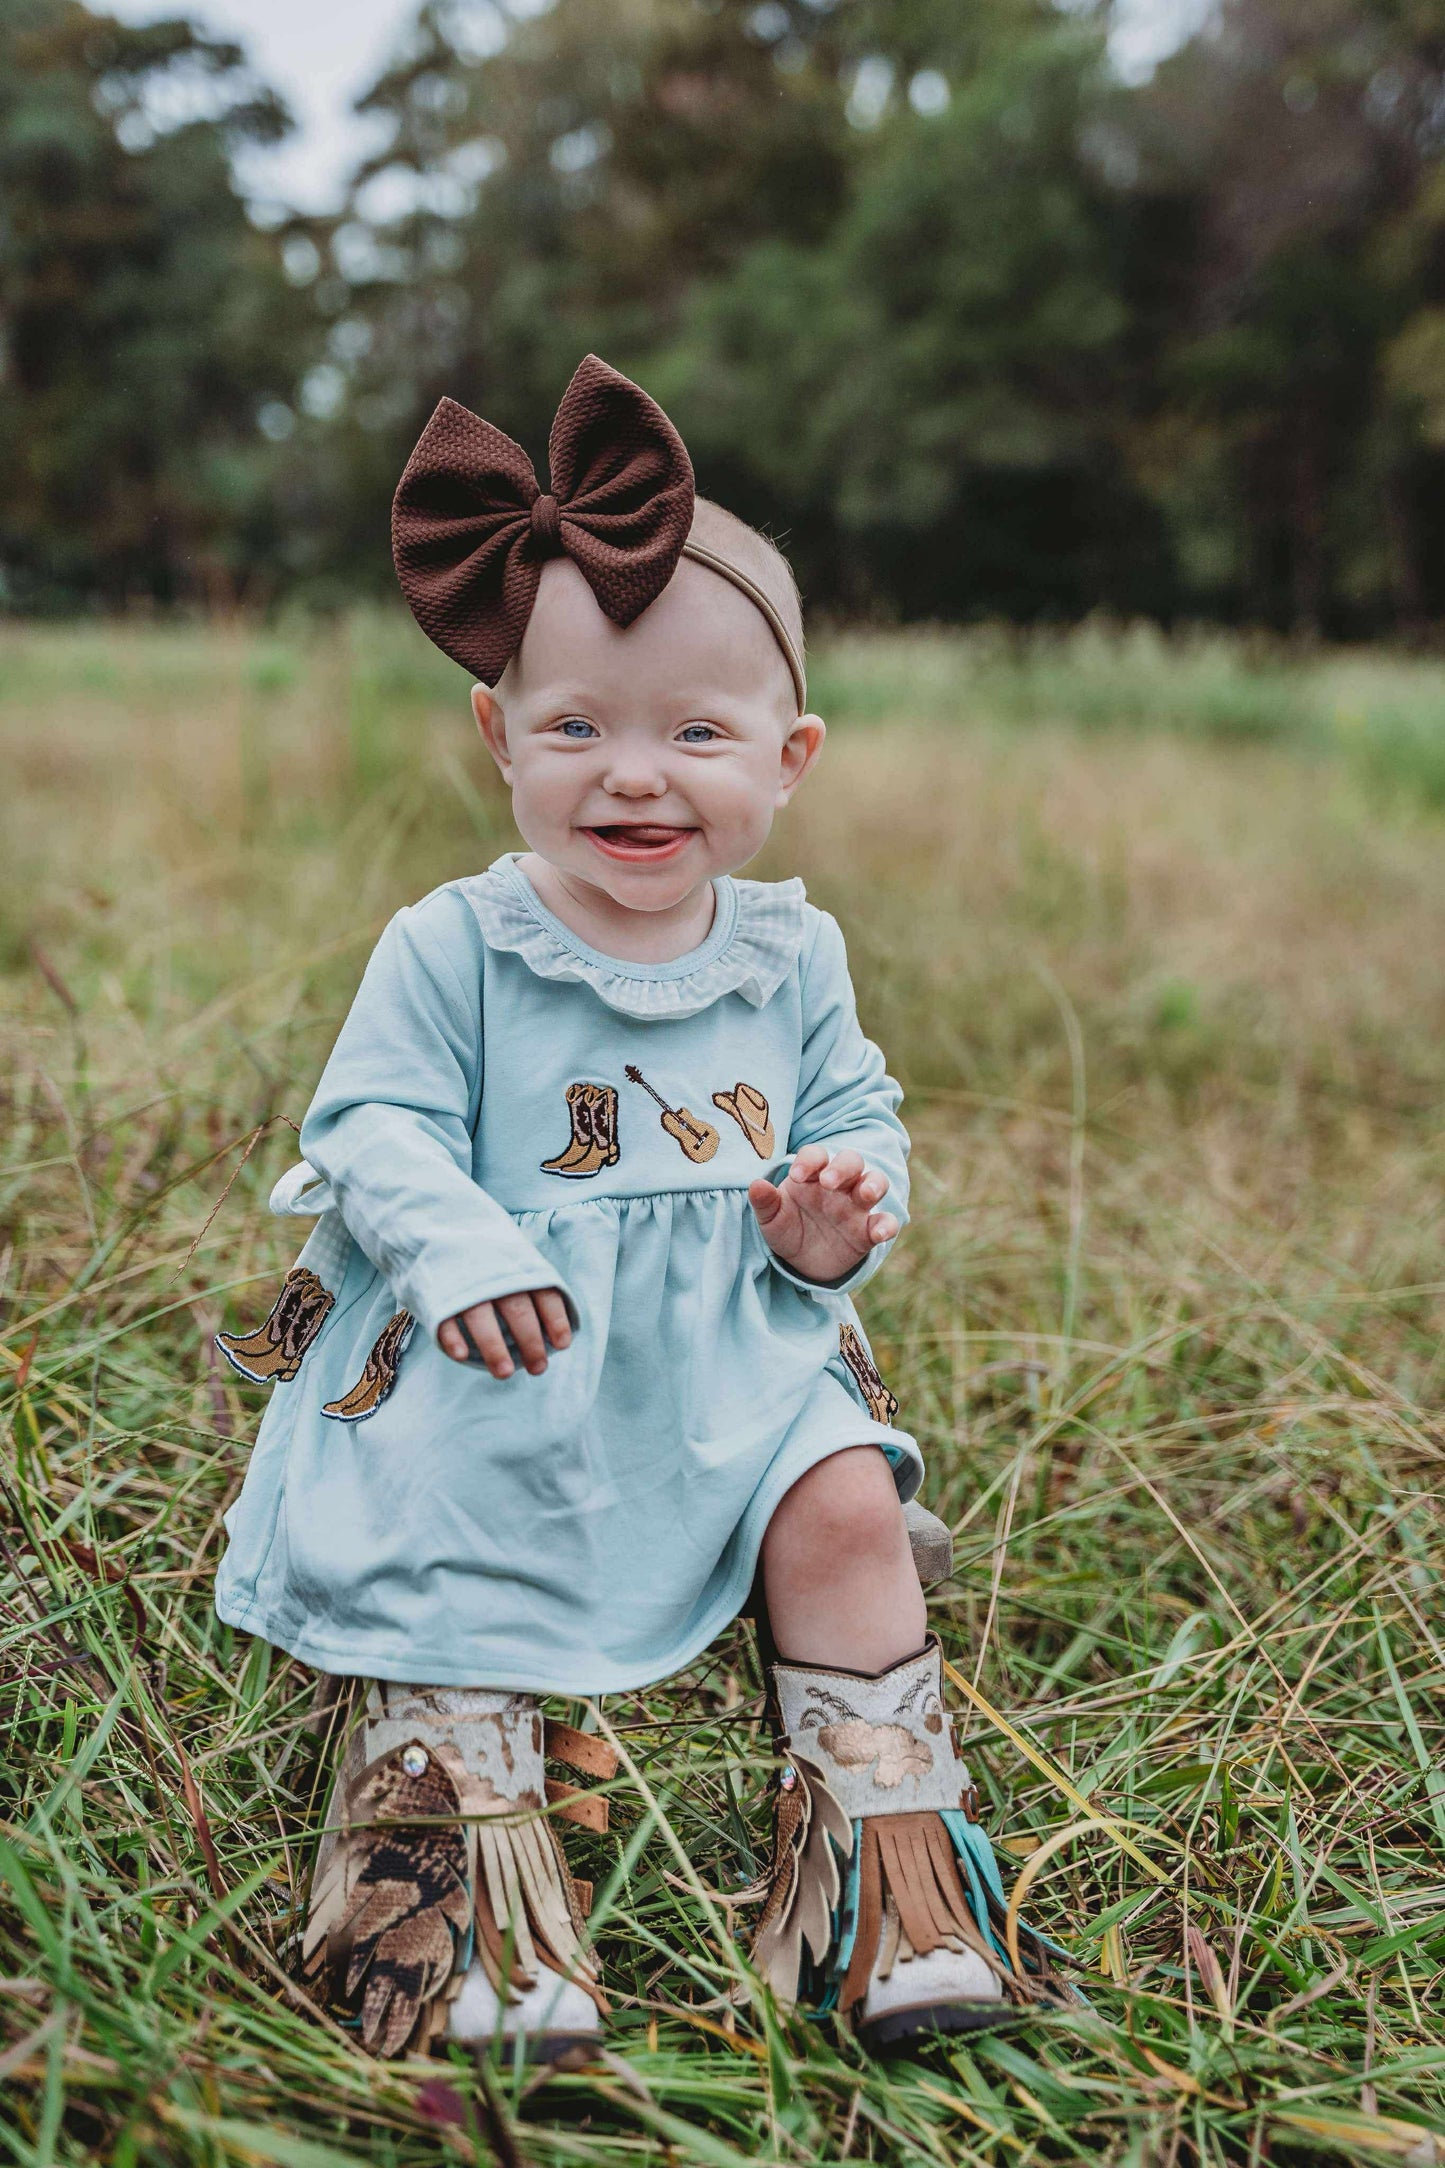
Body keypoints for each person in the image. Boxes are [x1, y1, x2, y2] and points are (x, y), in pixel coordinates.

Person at [213, 357, 1061, 2060]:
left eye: (696, 732)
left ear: (788, 754)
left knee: (842, 1505)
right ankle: (455, 1897)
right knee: (459, 1538)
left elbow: (852, 1118)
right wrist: (461, 1249)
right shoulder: (456, 941)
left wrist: (839, 1213)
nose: (634, 777)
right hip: (494, 1352)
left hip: (731, 1363)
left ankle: (882, 1886)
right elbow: (366, 1119)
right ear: (498, 737)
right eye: (575, 727)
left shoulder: (790, 952)